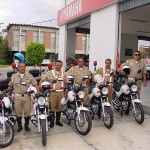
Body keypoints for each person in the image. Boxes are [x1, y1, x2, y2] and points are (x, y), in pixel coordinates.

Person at [7, 62, 39, 132]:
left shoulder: (29, 76)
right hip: (17, 97)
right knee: (18, 112)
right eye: (20, 67)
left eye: (23, 67)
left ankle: (26, 125)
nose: (22, 68)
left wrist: (38, 94)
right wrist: (8, 94)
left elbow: (35, 85)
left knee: (27, 112)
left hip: (27, 96)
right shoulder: (14, 76)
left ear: (25, 67)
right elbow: (10, 86)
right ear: (18, 67)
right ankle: (19, 126)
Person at [39, 60, 67, 128]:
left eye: (60, 65)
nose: (58, 66)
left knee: (59, 108)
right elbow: (42, 80)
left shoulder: (64, 73)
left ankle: (58, 120)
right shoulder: (49, 73)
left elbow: (66, 83)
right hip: (52, 93)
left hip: (61, 93)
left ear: (61, 66)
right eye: (57, 65)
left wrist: (66, 92)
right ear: (55, 65)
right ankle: (52, 121)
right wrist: (40, 87)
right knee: (52, 108)